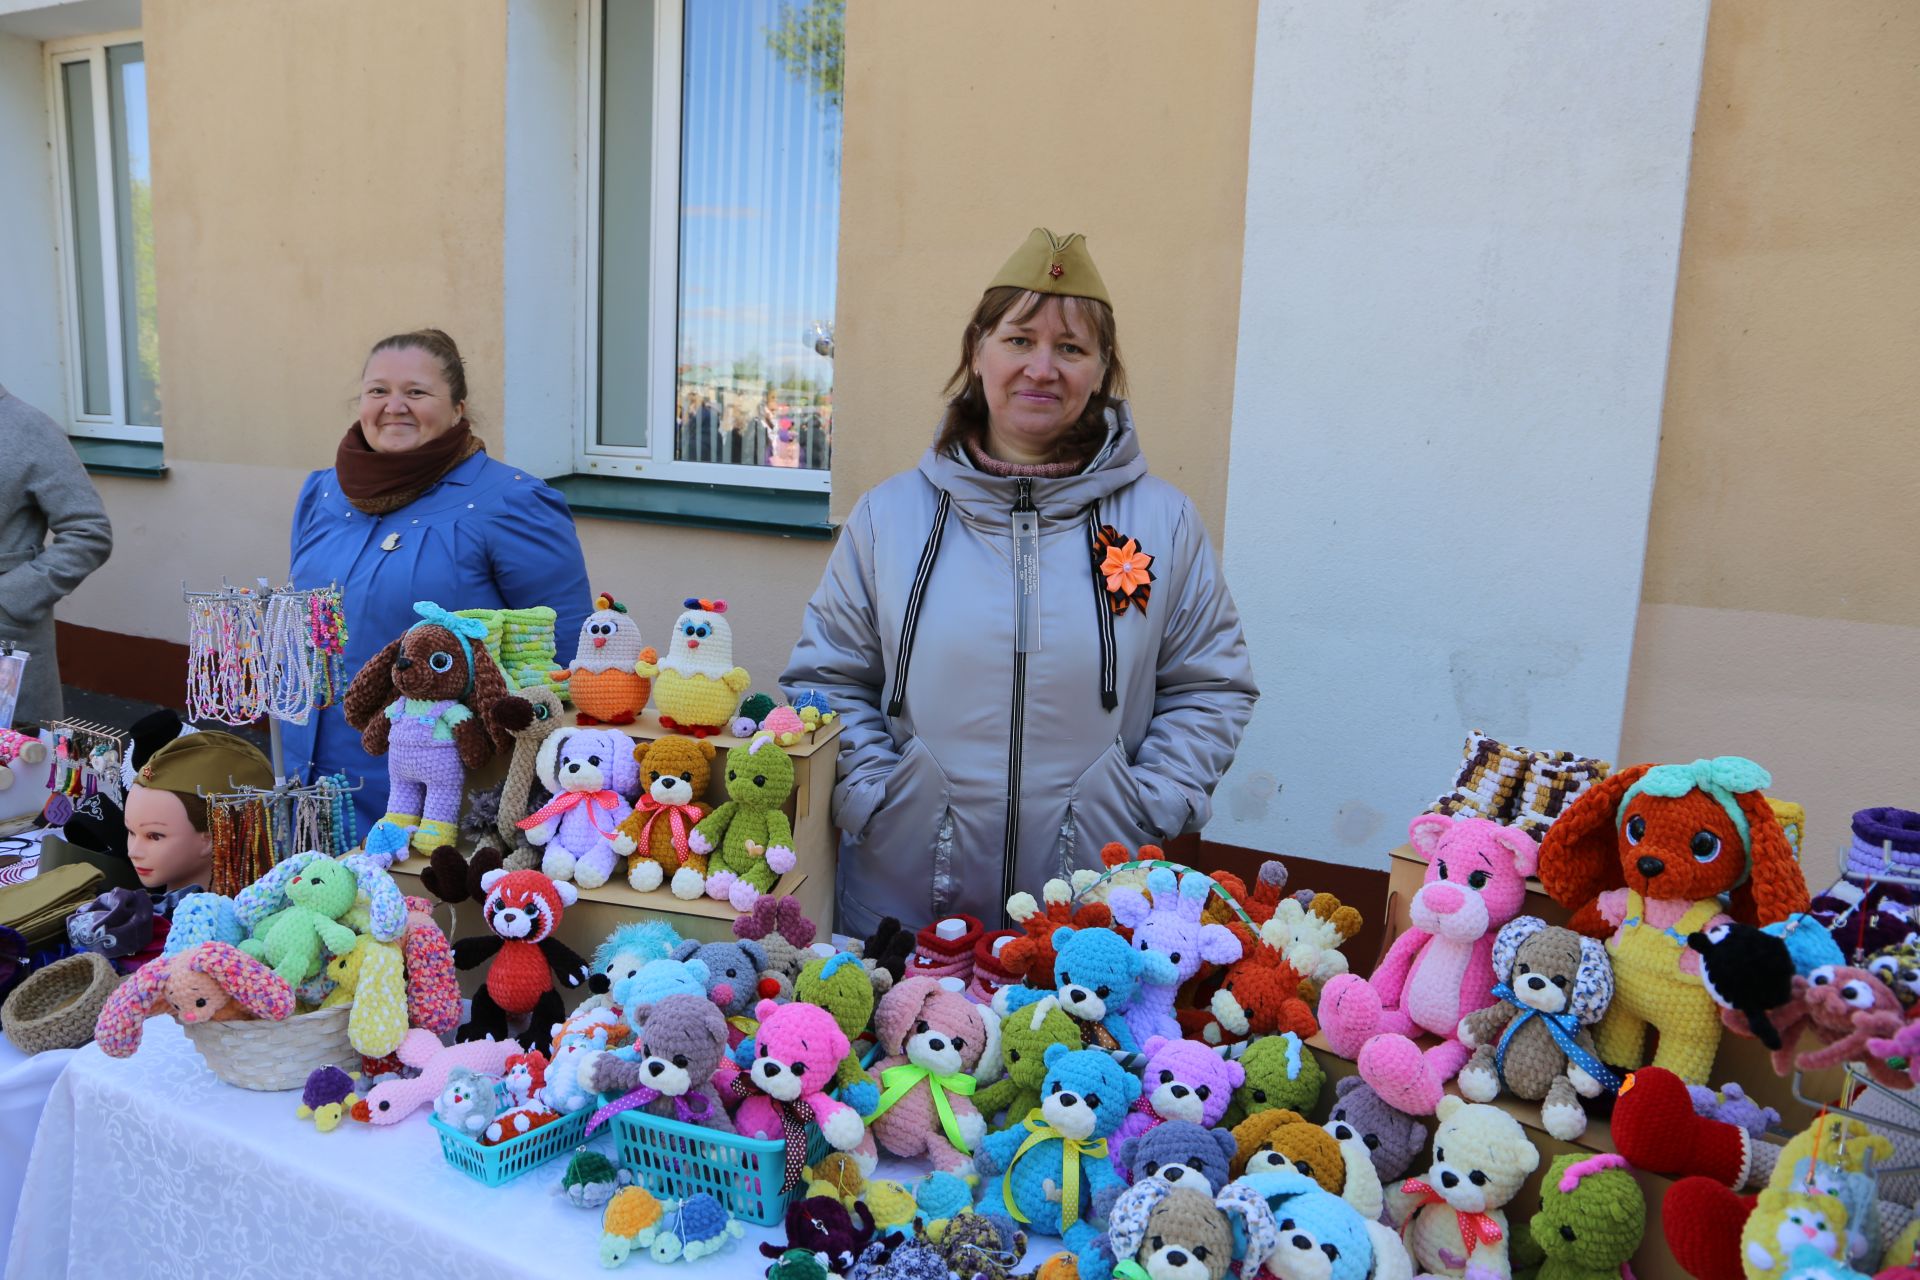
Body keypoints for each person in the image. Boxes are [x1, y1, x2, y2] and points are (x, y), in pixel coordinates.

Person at [783, 229, 1259, 934]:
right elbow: (827, 677)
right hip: (902, 907)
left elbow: (1209, 685)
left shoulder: (1164, 525)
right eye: (1019, 340)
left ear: (1102, 371)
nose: (1042, 367)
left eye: (1071, 348)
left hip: (1098, 918)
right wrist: (876, 796)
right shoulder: (889, 518)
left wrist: (1150, 805)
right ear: (978, 352)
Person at [284, 329, 592, 832]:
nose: (394, 406)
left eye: (417, 392)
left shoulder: (511, 502)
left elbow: (563, 654)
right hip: (311, 772)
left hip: (436, 786)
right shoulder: (321, 492)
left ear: (457, 408)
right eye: (378, 391)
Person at [0, 383, 113, 728]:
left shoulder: (29, 428)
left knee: (17, 770)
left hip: (6, 639)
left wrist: (10, 598)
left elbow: (89, 532)